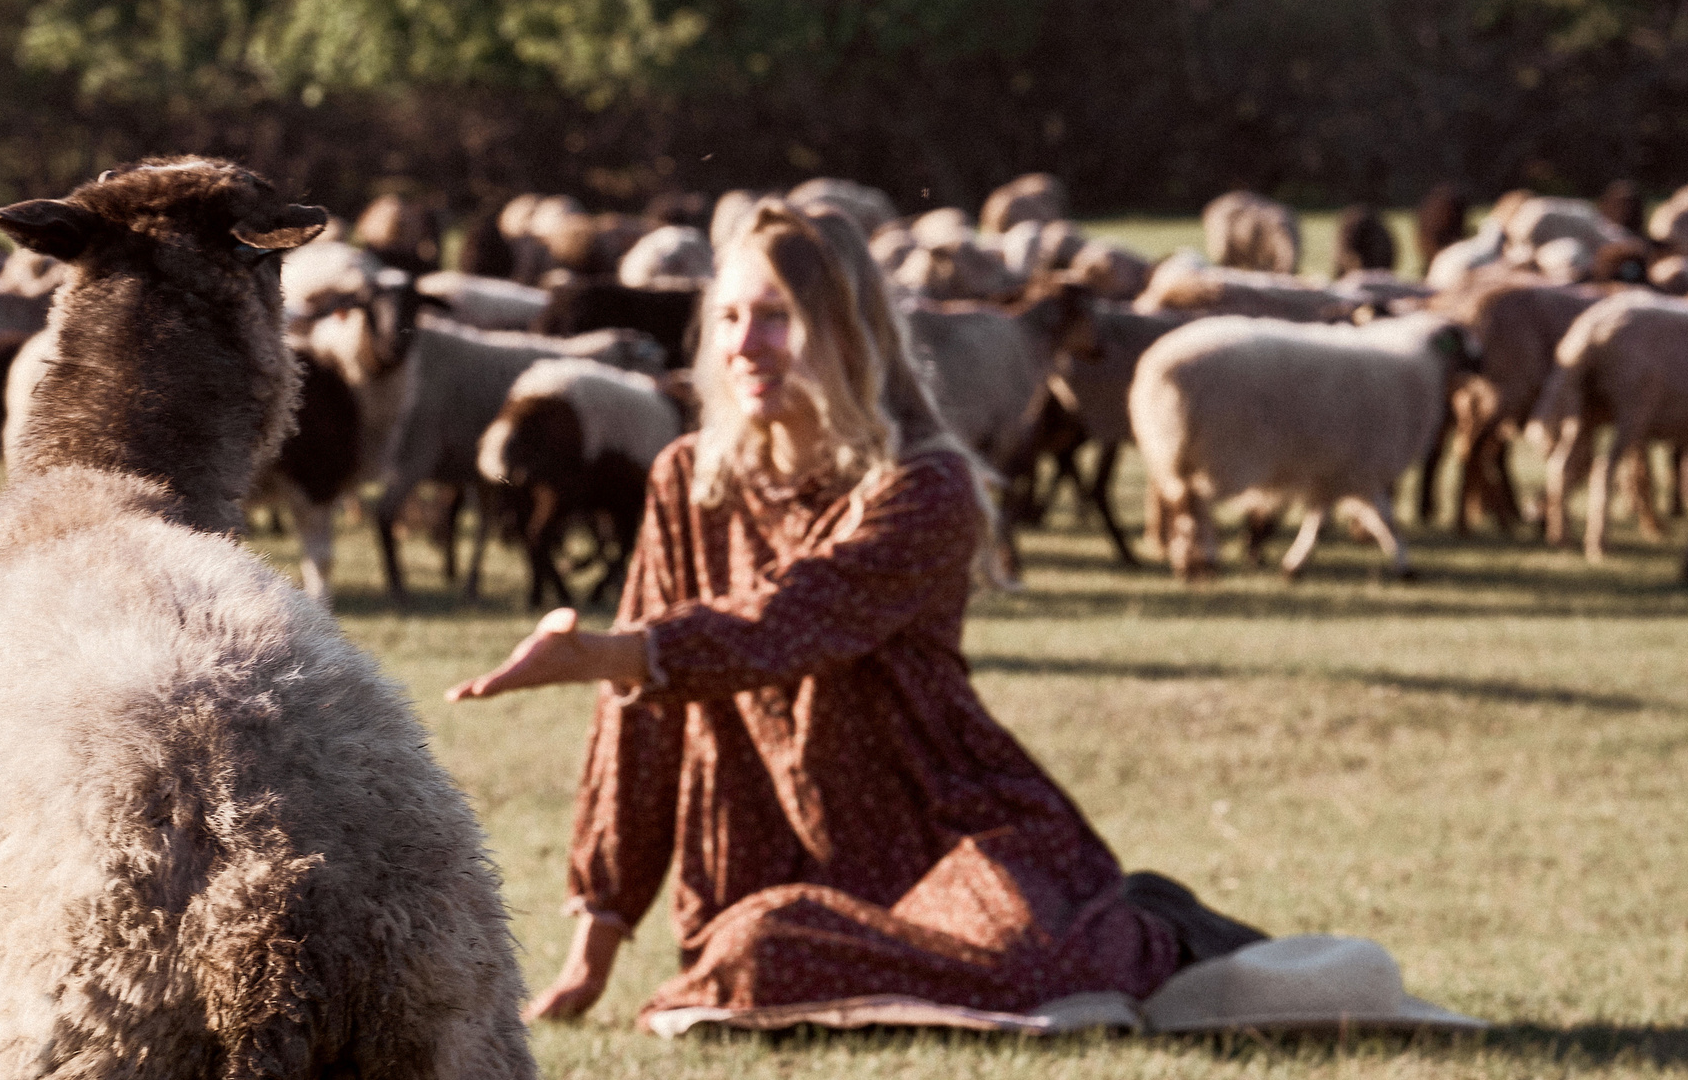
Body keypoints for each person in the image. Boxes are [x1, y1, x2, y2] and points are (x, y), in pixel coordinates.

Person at [450, 201, 1260, 1029]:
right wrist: (594, 947)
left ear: (845, 330)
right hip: (768, 864)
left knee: (1038, 960)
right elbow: (641, 734)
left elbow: (788, 622)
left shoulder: (927, 486)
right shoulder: (688, 479)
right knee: (755, 954)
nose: (742, 344)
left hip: (942, 832)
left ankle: (1143, 925)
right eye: (728, 317)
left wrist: (609, 653)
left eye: (775, 318)